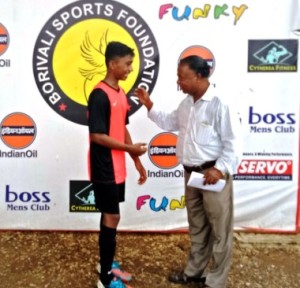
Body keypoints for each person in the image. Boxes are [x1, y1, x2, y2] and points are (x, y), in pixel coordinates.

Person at [134, 55, 242, 288]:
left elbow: (234, 142)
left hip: (212, 176)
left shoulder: (221, 103)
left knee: (220, 229)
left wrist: (220, 169)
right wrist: (149, 104)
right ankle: (193, 272)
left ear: (200, 76)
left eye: (182, 77)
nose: (178, 82)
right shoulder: (186, 104)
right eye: (178, 77)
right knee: (197, 226)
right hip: (191, 176)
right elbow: (168, 122)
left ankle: (215, 282)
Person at [88, 41, 147, 288]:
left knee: (110, 216)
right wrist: (130, 150)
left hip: (118, 165)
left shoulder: (121, 93)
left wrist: (136, 159)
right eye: (127, 64)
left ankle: (107, 263)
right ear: (113, 65)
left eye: (131, 64)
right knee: (112, 216)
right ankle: (105, 280)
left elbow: (121, 128)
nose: (130, 69)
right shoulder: (99, 94)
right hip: (104, 167)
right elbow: (97, 136)